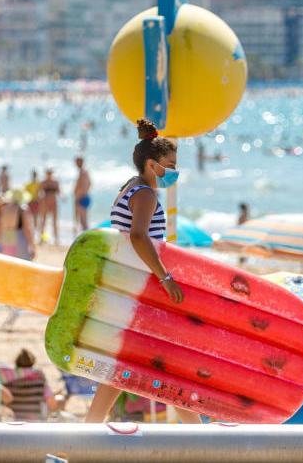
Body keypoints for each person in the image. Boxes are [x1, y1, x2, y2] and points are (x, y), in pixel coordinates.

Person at [86, 119, 199, 424]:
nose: (174, 171)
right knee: (164, 365)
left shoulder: (131, 187)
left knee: (132, 363)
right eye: (170, 165)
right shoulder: (146, 194)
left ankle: (89, 428)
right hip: (143, 287)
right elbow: (138, 236)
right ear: (152, 164)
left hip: (129, 285)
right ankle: (201, 438)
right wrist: (166, 277)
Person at [0, 349, 61, 421]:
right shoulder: (39, 381)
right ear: (33, 362)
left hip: (16, 421)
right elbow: (52, 404)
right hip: (36, 421)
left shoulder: (9, 381)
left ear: (16, 362)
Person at [0, 191, 36, 260]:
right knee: (22, 262)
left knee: (7, 262)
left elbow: (0, 226)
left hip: (6, 235)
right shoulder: (23, 209)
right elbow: (27, 229)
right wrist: (32, 245)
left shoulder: (5, 208)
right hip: (18, 236)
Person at [38, 169, 61, 243]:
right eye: (48, 173)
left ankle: (56, 239)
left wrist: (63, 197)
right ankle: (42, 238)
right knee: (43, 221)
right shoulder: (43, 182)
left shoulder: (55, 182)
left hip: (54, 203)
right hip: (45, 203)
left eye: (50, 173)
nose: (49, 174)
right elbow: (39, 193)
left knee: (54, 221)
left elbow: (59, 192)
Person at [73, 156, 91, 233]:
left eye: (77, 162)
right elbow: (89, 183)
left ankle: (87, 236)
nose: (76, 164)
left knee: (83, 220)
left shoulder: (82, 172)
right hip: (84, 196)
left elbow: (83, 186)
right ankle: (85, 234)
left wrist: (78, 196)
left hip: (81, 198)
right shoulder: (85, 172)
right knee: (83, 219)